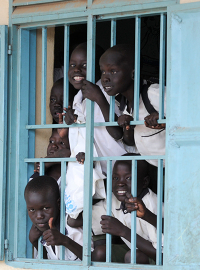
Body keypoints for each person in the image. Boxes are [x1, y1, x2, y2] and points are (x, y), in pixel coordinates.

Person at [62, 43, 127, 227]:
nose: (77, 69)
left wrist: (98, 96)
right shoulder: (77, 98)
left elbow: (117, 132)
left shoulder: (108, 91)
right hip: (100, 171)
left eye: (84, 65)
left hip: (119, 168)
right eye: (72, 64)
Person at [98, 44, 166, 167]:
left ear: (133, 74)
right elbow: (130, 142)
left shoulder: (154, 94)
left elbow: (187, 119)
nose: (105, 78)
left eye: (113, 71)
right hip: (155, 166)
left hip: (177, 164)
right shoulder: (123, 104)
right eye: (103, 71)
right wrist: (128, 127)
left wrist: (164, 120)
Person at [91, 154, 163, 264]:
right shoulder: (114, 200)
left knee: (133, 256)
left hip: (157, 258)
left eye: (128, 178)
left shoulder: (152, 204)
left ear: (145, 182)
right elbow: (80, 220)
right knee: (101, 252)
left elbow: (161, 256)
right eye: (115, 178)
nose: (120, 183)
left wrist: (123, 231)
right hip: (135, 250)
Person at [25, 176, 83, 260]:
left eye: (46, 208)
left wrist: (65, 241)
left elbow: (93, 260)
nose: (39, 216)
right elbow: (45, 265)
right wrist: (35, 243)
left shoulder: (71, 226)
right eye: (32, 210)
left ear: (58, 204)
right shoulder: (38, 234)